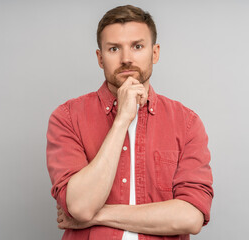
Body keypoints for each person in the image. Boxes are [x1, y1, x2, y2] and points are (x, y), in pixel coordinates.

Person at [46, 5, 213, 240]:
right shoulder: (67, 118)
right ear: (100, 58)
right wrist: (122, 119)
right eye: (114, 48)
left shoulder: (187, 123)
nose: (126, 59)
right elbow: (82, 206)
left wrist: (97, 216)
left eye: (137, 46)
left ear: (154, 53)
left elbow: (190, 218)